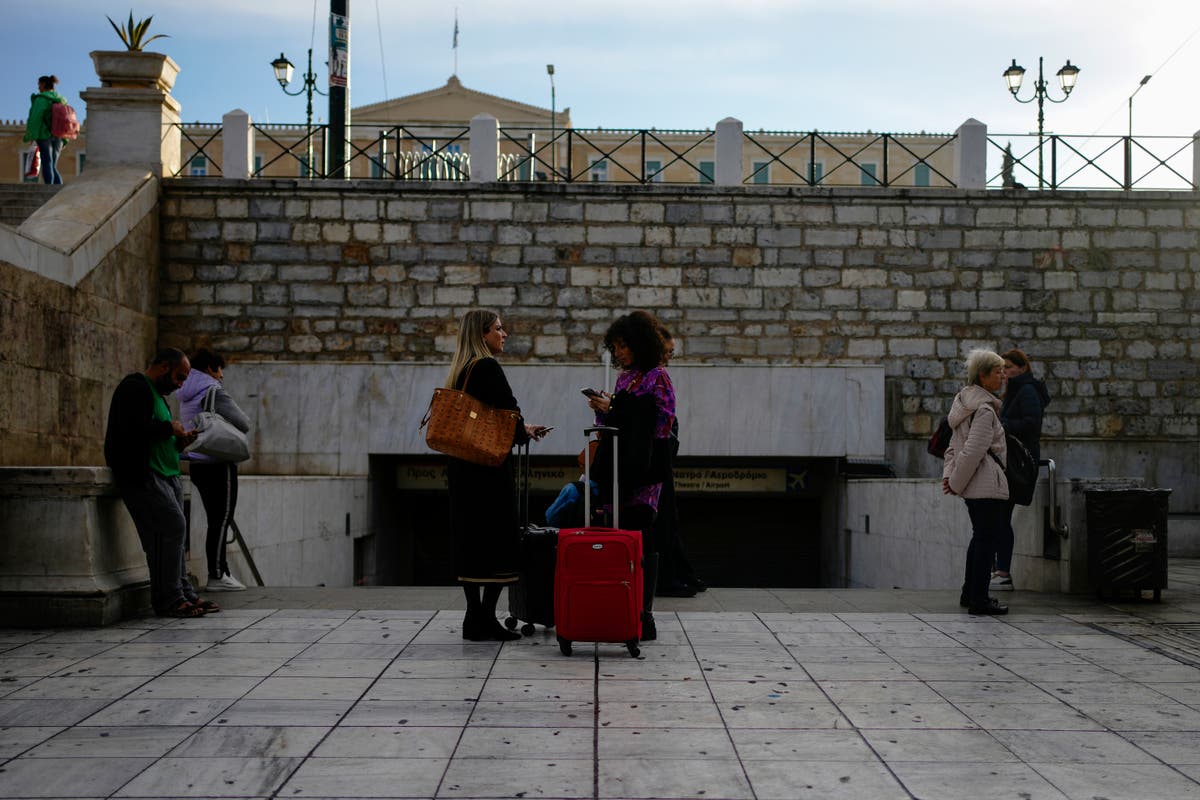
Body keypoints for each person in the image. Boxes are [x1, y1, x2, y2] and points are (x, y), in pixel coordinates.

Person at [445, 309, 550, 641]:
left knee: (471, 540)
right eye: (499, 329)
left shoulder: (461, 370)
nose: (504, 335)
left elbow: (491, 419)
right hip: (487, 471)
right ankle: (485, 618)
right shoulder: (487, 366)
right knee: (497, 539)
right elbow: (509, 411)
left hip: (463, 468)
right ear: (483, 334)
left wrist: (522, 429)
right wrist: (524, 428)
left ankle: (473, 617)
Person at [104, 348, 220, 618]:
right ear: (164, 367)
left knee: (176, 535)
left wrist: (179, 440)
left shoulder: (159, 397)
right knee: (169, 529)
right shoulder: (134, 388)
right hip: (143, 474)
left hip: (167, 474)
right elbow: (132, 429)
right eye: (179, 377)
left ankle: (182, 592)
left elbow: (155, 434)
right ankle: (168, 599)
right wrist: (170, 428)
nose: (181, 384)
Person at [585, 311, 676, 639]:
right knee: (617, 528)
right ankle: (618, 605)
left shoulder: (657, 376)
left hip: (646, 465)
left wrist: (617, 409)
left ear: (639, 344)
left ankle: (644, 613)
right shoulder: (625, 379)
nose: (619, 353)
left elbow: (662, 420)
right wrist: (603, 410)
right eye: (616, 347)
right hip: (618, 464)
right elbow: (614, 422)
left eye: (624, 346)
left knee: (642, 529)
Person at [941, 349, 1010, 616]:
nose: (1002, 377)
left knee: (980, 538)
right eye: (997, 372)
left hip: (973, 484)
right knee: (987, 540)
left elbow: (952, 448)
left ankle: (970, 592)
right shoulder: (983, 410)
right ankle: (979, 599)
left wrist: (950, 477)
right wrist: (955, 482)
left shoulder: (963, 403)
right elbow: (972, 451)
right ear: (982, 376)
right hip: (985, 484)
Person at [178, 349, 252, 593]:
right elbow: (243, 423)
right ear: (210, 368)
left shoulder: (186, 391)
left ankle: (222, 572)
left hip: (197, 462)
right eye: (219, 369)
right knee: (221, 519)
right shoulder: (213, 390)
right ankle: (217, 574)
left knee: (215, 519)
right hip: (218, 462)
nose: (221, 376)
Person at [992, 348, 1052, 592]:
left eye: (1008, 367)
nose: (1004, 372)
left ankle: (1003, 572)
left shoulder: (1026, 391)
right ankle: (999, 570)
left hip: (1019, 463)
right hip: (1013, 461)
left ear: (1022, 368)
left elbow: (1031, 424)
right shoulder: (1017, 391)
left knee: (1001, 516)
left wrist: (1003, 425)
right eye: (1002, 368)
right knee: (999, 516)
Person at [653, 325, 705, 598]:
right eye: (668, 352)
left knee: (667, 519)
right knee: (663, 519)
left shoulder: (650, 376)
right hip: (656, 460)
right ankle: (670, 577)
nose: (670, 358)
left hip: (658, 458)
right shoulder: (656, 376)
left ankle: (680, 573)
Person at [23, 75, 66, 185]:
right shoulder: (61, 100)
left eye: (39, 85)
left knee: (47, 162)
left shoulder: (41, 99)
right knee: (52, 165)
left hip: (44, 134)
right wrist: (65, 140)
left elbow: (35, 118)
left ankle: (48, 189)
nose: (38, 88)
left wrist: (31, 136)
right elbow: (66, 121)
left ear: (43, 84)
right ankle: (58, 190)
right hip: (59, 136)